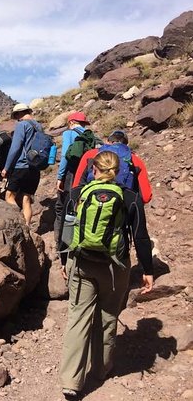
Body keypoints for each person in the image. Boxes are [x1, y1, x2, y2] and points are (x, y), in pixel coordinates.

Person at [59, 150, 154, 399]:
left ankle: (71, 381)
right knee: (108, 316)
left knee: (78, 319)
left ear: (94, 169)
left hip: (81, 263)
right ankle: (100, 370)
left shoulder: (78, 193)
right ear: (119, 171)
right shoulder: (130, 197)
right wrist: (148, 270)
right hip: (115, 268)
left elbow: (66, 229)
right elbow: (141, 237)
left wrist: (62, 260)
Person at [72, 130, 152, 204]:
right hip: (121, 211)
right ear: (126, 145)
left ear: (107, 141)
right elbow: (146, 197)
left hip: (90, 207)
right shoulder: (135, 160)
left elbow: (76, 188)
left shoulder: (90, 155)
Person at [54, 112, 91, 250]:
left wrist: (60, 177)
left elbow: (64, 156)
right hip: (86, 176)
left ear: (71, 122)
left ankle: (62, 245)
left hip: (71, 174)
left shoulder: (69, 134)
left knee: (62, 208)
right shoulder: (90, 136)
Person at [1, 103, 42, 224]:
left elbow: (15, 148)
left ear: (18, 114)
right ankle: (27, 227)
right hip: (35, 168)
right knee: (26, 199)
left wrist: (6, 167)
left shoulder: (21, 125)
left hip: (21, 167)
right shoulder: (38, 126)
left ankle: (20, 222)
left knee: (9, 196)